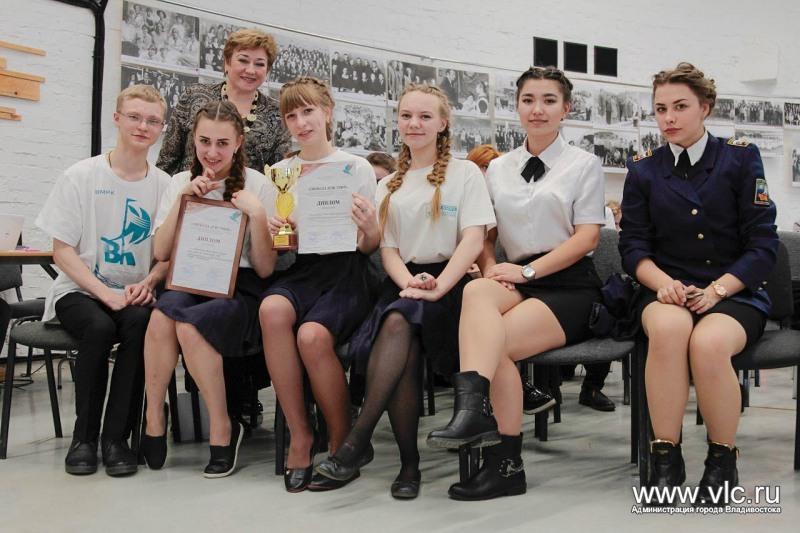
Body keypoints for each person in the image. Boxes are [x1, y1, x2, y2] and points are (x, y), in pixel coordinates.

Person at [427, 67, 607, 501]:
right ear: (517, 106)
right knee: (475, 290)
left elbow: (587, 238)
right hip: (515, 276)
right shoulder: (498, 168)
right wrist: (491, 267)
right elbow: (486, 234)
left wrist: (527, 273)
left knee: (495, 345)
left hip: (567, 284)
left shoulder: (584, 164)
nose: (537, 109)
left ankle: (504, 463)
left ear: (566, 109)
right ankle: (474, 413)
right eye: (528, 100)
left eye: (549, 100)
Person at [313, 84, 495, 500]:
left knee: (398, 322)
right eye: (407, 115)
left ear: (443, 123)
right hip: (402, 281)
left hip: (453, 283)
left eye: (425, 116)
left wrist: (439, 286)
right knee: (402, 333)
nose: (414, 123)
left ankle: (361, 445)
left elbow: (473, 239)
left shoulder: (465, 173)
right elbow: (388, 249)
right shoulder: (389, 184)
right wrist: (409, 284)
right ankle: (406, 463)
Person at [618, 62, 778, 506]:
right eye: (660, 109)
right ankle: (665, 460)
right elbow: (633, 247)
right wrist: (663, 284)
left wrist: (717, 291)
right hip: (666, 288)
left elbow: (763, 245)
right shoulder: (644, 170)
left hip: (733, 290)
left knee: (708, 344)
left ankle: (722, 461)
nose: (669, 118)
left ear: (705, 107)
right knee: (670, 330)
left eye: (680, 107)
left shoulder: (739, 159)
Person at [35, 85, 172, 476]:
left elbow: (167, 255)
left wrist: (150, 282)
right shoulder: (80, 175)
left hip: (133, 293)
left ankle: (117, 439)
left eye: (152, 121)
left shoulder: (164, 185)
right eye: (134, 117)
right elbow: (62, 251)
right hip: (79, 290)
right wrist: (104, 294)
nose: (142, 126)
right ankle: (83, 438)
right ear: (117, 119)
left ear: (161, 128)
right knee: (98, 327)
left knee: (142, 325)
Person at [141, 100, 276, 478]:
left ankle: (222, 424)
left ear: (238, 143)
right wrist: (184, 200)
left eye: (222, 143)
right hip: (190, 277)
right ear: (193, 140)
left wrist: (257, 214)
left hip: (239, 285)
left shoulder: (258, 184)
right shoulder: (180, 183)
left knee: (190, 325)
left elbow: (265, 268)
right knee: (161, 319)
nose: (212, 152)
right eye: (204, 142)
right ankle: (154, 414)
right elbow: (161, 252)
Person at [258, 77, 380, 493]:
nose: (301, 122)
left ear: (327, 111)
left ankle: (344, 441)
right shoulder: (281, 173)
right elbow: (283, 248)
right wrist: (280, 232)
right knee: (271, 309)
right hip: (305, 268)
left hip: (348, 270)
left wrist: (370, 227)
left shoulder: (356, 167)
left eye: (308, 111)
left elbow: (369, 246)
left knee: (311, 336)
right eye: (291, 115)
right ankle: (301, 434)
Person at [156, 28, 290, 176]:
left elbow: (280, 175)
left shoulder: (277, 114)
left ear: (267, 70)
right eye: (243, 60)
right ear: (227, 63)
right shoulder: (194, 96)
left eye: (259, 64)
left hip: (246, 191)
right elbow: (167, 161)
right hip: (189, 189)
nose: (251, 70)